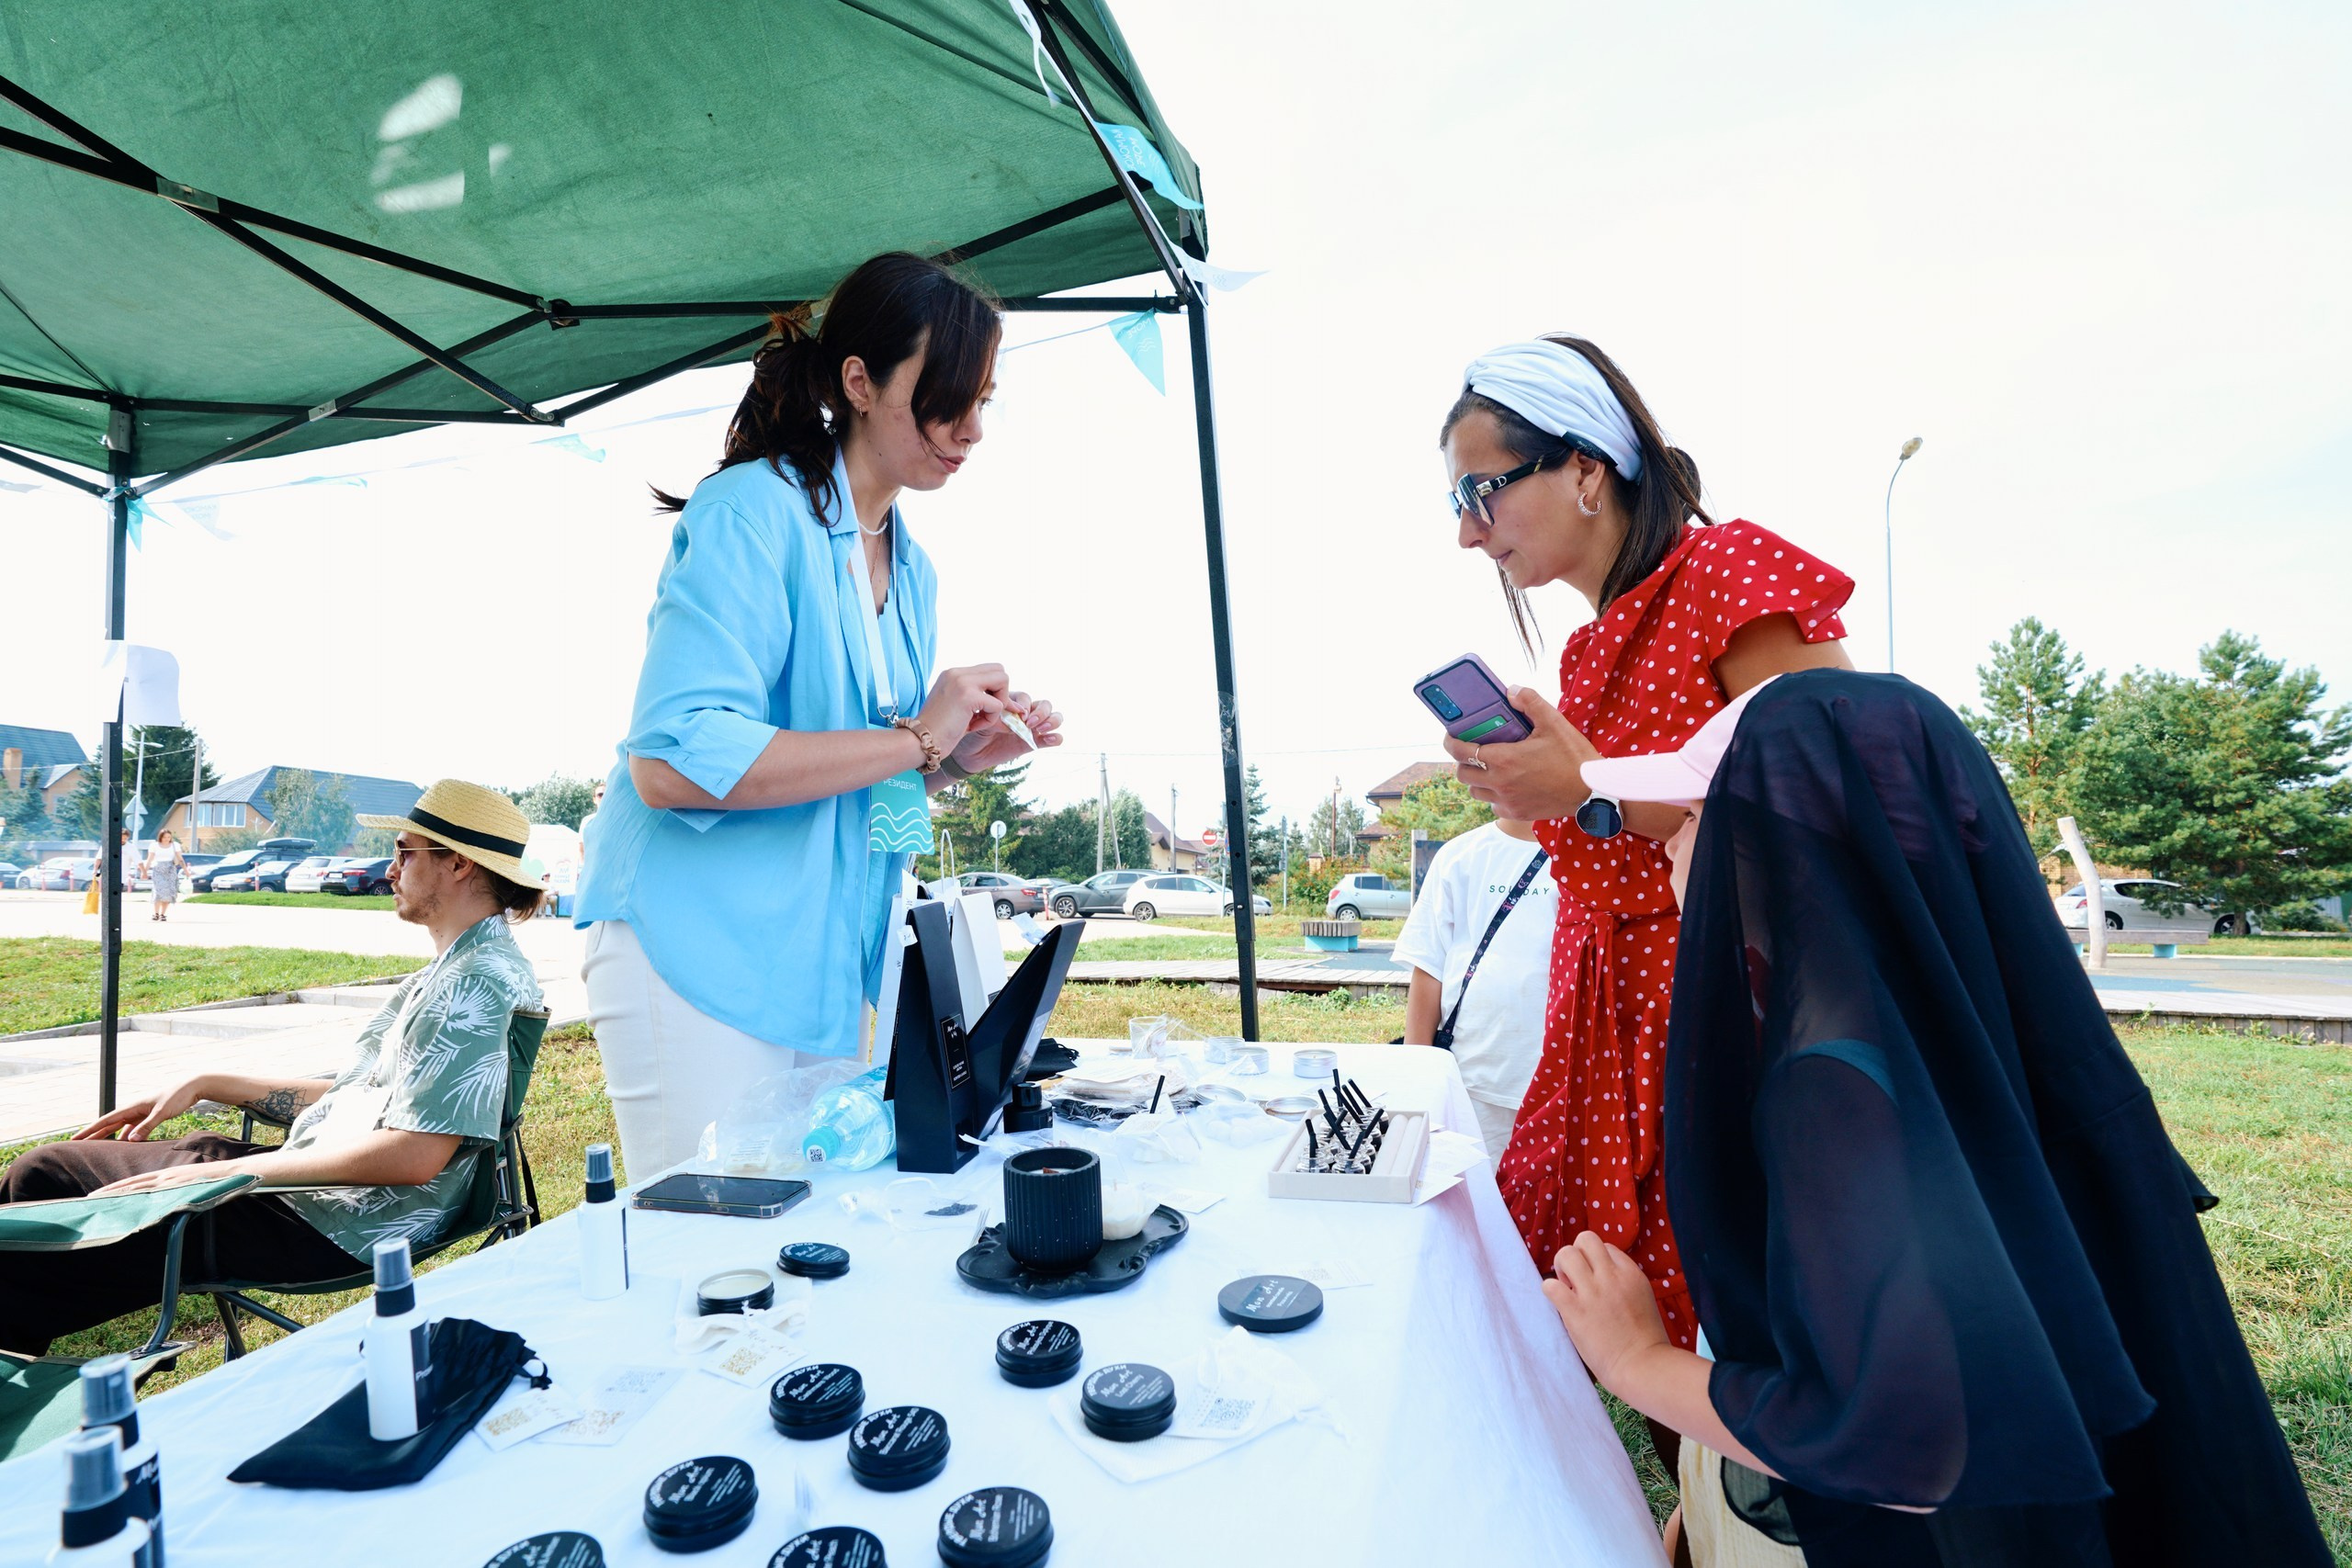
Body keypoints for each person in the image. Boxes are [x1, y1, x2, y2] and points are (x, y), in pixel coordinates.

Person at [1548, 671, 2330, 1568]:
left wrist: (1634, 1361)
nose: (1667, 851)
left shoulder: (1833, 1098)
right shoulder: (1983, 1041)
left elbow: (1906, 1448)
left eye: (1692, 821)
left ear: (1792, 852)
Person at [576, 252, 1063, 1179]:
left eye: (984, 401)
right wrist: (918, 735)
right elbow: (672, 763)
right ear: (859, 383)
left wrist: (957, 759)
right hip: (696, 948)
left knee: (812, 1253)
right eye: (948, 396)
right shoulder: (750, 512)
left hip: (820, 966)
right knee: (710, 1254)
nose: (970, 428)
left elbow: (871, 774)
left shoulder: (912, 571)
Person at [1438, 334, 1855, 1354]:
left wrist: (1584, 786)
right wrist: (1543, 792)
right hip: (1605, 1035)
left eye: (1481, 491)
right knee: (1626, 1329)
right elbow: (1619, 837)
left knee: (1756, 1331)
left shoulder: (1727, 569)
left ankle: (1735, 1509)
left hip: (1731, 1028)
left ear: (1585, 467)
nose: (1466, 533)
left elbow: (1827, 819)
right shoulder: (1584, 650)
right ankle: (1696, 1515)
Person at [0, 780, 545, 1354]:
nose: (390, 869)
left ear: (457, 865)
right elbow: (374, 1098)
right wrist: (216, 1083)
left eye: (405, 852)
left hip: (336, 1222)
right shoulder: (469, 967)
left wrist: (228, 1178)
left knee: (47, 1179)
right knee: (55, 1189)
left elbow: (416, 1152)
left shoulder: (472, 982)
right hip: (322, 1198)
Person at [1393, 817, 1555, 1155]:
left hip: (1565, 1084)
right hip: (1471, 1083)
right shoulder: (1460, 855)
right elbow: (1428, 966)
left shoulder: (1592, 853)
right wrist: (1415, 1078)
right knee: (1473, 1197)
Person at [145, 827, 185, 922]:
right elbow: (149, 859)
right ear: (160, 837)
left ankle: (163, 914)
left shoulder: (175, 845)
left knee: (168, 892)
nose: (167, 839)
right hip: (158, 869)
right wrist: (144, 871)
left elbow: (180, 858)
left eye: (169, 837)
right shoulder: (154, 845)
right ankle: (156, 913)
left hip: (171, 870)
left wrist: (186, 870)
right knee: (158, 891)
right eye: (165, 837)